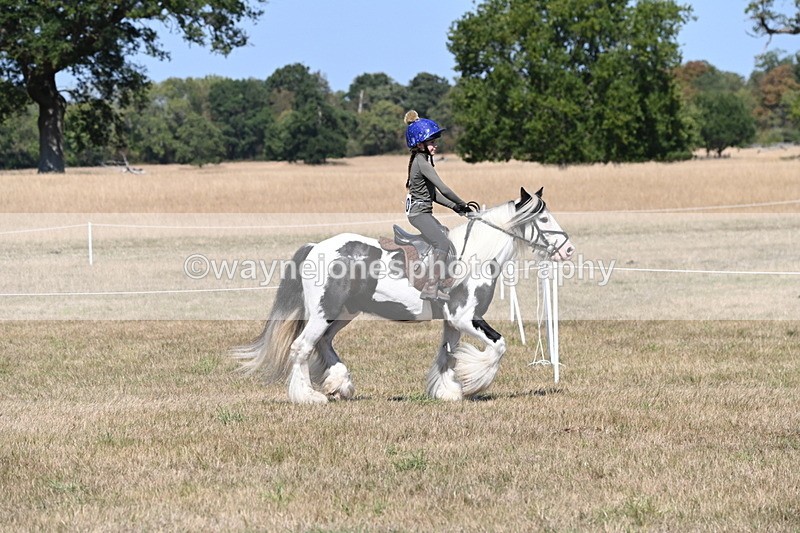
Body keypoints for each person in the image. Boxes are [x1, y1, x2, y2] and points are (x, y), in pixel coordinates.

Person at [403, 110, 472, 301]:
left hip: (422, 211)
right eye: (432, 142)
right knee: (441, 243)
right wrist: (462, 203)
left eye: (435, 142)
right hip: (419, 214)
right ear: (420, 144)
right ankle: (430, 287)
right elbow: (444, 188)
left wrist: (455, 208)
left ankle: (441, 280)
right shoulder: (421, 162)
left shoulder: (422, 160)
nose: (435, 145)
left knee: (444, 234)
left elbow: (433, 195)